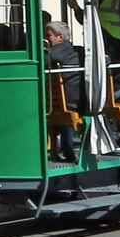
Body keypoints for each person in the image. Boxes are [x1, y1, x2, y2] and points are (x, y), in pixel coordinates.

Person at [43, 20, 84, 161]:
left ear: (60, 37)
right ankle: (68, 148)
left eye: (49, 36)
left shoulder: (54, 53)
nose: (46, 39)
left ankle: (59, 148)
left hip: (65, 102)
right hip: (75, 100)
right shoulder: (77, 51)